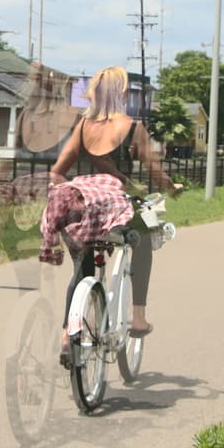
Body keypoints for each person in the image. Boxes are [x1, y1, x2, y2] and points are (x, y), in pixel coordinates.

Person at [44, 66, 181, 344]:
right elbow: (155, 171)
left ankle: (66, 333)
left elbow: (57, 172)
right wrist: (171, 187)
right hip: (115, 211)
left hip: (80, 210)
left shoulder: (83, 126)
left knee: (81, 269)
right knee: (142, 239)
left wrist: (65, 192)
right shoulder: (132, 127)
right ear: (122, 92)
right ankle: (139, 317)